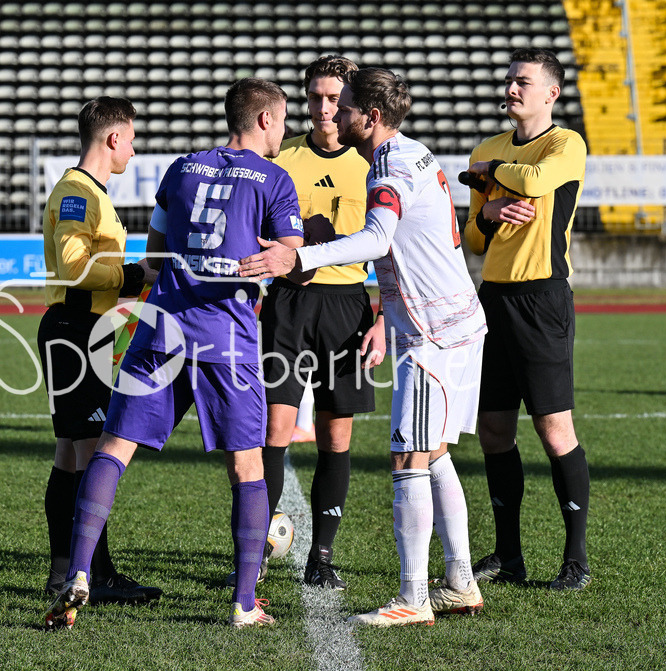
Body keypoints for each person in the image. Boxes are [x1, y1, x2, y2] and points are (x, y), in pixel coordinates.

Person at [44, 77, 305, 630]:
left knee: (112, 450)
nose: (285, 130)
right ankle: (242, 603)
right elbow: (287, 257)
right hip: (226, 337)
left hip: (160, 328)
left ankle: (79, 573)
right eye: (282, 120)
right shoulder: (276, 180)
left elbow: (154, 256)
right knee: (247, 465)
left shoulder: (181, 169)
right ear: (263, 120)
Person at [239, 67, 487, 627]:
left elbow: (377, 238)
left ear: (369, 117)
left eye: (345, 105)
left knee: (406, 459)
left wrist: (297, 257)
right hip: (452, 321)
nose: (334, 113)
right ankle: (461, 581)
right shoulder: (411, 152)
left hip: (431, 332)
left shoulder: (390, 166)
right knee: (436, 455)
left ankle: (413, 598)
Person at [231, 54, 376, 591]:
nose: (323, 107)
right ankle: (258, 551)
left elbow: (392, 245)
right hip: (288, 305)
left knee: (337, 436)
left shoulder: (373, 161)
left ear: (351, 101)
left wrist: (382, 314)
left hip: (348, 307)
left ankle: (322, 555)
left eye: (334, 97)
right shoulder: (281, 158)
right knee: (274, 429)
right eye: (314, 96)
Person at [463, 47, 591, 591]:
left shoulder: (566, 143)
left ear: (551, 94)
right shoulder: (486, 146)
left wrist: (489, 175)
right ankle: (508, 556)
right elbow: (470, 236)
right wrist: (487, 210)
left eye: (524, 81)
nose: (513, 88)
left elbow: (537, 181)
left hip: (542, 298)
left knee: (552, 427)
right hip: (492, 297)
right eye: (510, 79)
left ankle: (576, 561)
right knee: (493, 429)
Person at [37, 96, 161, 606]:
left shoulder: (88, 192)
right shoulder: (76, 193)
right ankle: (95, 573)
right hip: (76, 331)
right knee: (91, 453)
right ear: (112, 138)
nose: (132, 150)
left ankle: (67, 570)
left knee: (72, 454)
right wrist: (136, 275)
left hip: (85, 327)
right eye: (130, 139)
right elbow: (73, 266)